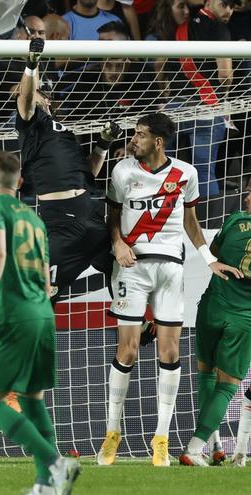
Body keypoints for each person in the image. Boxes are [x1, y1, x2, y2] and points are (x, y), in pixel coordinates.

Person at [97, 112, 241, 466]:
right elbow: (112, 214)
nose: (133, 140)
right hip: (132, 267)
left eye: (140, 135)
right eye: (134, 134)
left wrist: (208, 258)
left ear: (158, 142)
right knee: (128, 350)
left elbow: (190, 221)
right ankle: (112, 433)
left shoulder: (186, 174)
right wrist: (116, 242)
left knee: (171, 352)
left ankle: (160, 437)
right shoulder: (122, 171)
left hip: (171, 270)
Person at [0, 151, 80, 495]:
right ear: (20, 183)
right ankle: (44, 486)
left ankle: (55, 462)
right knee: (33, 399)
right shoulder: (34, 219)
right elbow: (48, 273)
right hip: (43, 314)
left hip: (14, 314)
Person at [16, 38, 122, 299]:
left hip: (90, 212)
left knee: (122, 270)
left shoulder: (65, 133)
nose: (40, 95)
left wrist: (103, 144)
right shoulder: (31, 126)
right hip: (61, 222)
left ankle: (136, 326)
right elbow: (26, 95)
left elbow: (87, 175)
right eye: (38, 91)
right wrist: (31, 64)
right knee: (42, 294)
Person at [179, 180, 249, 466]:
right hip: (243, 317)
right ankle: (194, 449)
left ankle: (215, 444)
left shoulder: (234, 220)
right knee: (227, 385)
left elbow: (216, 254)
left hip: (211, 307)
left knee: (206, 375)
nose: (245, 196)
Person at [162, 0, 235, 197]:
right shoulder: (219, 29)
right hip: (206, 108)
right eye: (225, 4)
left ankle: (163, 218)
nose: (229, 10)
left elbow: (162, 69)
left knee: (163, 169)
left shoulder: (180, 29)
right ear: (209, 2)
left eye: (233, 6)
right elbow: (225, 74)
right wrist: (223, 98)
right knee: (204, 171)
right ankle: (207, 225)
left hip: (174, 109)